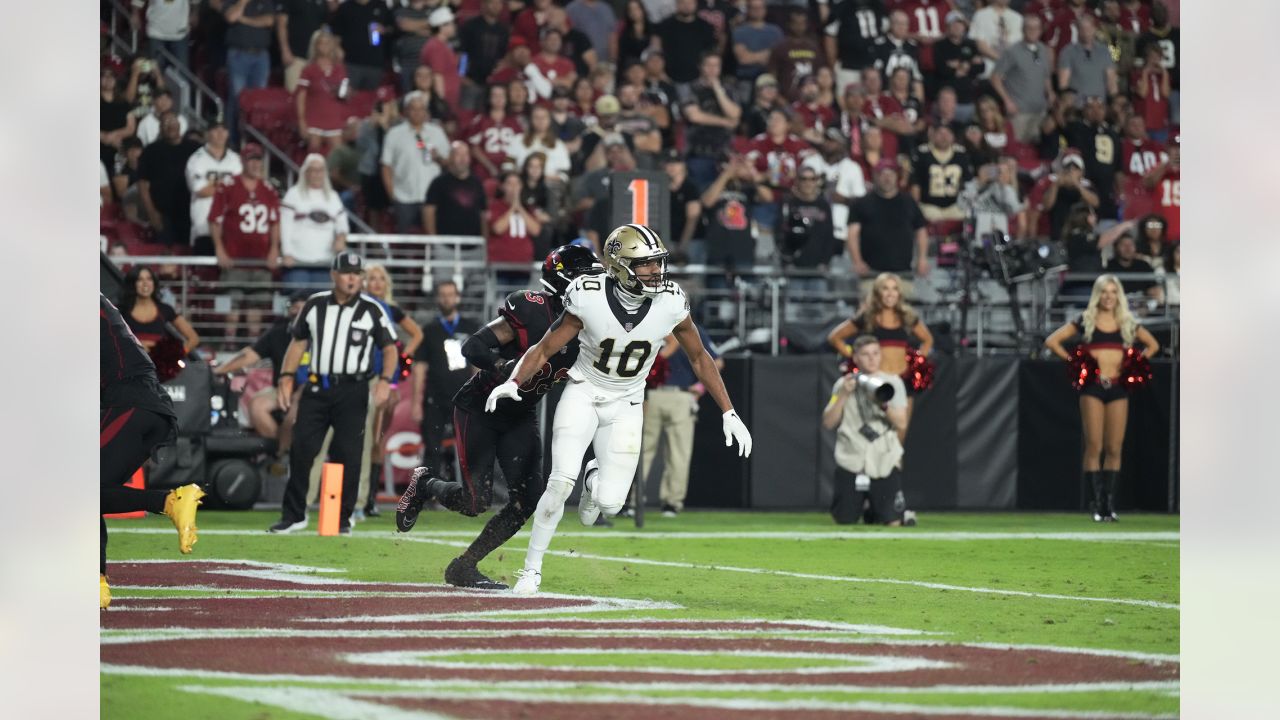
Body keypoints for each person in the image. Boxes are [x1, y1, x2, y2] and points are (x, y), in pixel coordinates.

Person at [487, 225, 752, 596]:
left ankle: (595, 477)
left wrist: (728, 411)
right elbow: (545, 348)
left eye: (657, 264)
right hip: (583, 391)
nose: (655, 272)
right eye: (644, 265)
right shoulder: (588, 295)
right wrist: (513, 382)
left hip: (628, 402)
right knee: (561, 482)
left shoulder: (671, 301)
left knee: (610, 505)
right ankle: (531, 570)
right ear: (619, 266)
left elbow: (698, 355)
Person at [397, 246, 604, 588]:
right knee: (474, 501)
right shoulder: (532, 308)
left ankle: (464, 566)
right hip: (481, 408)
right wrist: (504, 369)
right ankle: (425, 483)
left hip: (521, 415)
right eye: (589, 276)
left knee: (527, 501)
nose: (597, 285)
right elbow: (473, 347)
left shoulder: (591, 324)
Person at [269, 251, 398, 534]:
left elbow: (390, 348)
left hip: (353, 389)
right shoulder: (314, 305)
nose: (352, 278)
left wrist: (385, 380)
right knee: (302, 448)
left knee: (349, 454)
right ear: (334, 275)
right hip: (317, 387)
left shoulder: (372, 309)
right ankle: (294, 514)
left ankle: (342, 518)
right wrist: (286, 377)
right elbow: (298, 343)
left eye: (356, 273)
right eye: (346, 272)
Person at [100, 294, 205, 609]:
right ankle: (96, 583)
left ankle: (169, 501)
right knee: (92, 491)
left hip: (130, 402)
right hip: (143, 406)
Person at [1044, 274, 1159, 521]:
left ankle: (1109, 505)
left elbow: (1153, 345)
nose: (1109, 296)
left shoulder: (1127, 323)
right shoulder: (1086, 321)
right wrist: (1076, 363)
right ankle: (1096, 505)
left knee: (1114, 447)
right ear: (1097, 295)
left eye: (1113, 292)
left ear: (1119, 296)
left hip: (1118, 388)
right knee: (1094, 445)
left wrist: (1133, 365)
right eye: (1104, 292)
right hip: (1093, 387)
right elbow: (1052, 341)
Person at [359, 264, 424, 518]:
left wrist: (401, 357)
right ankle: (362, 498)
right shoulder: (360, 308)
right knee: (365, 438)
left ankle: (368, 500)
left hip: (385, 378)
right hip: (361, 377)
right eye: (371, 278)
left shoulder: (391, 309)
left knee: (377, 437)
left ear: (386, 284)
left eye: (380, 279)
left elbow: (417, 334)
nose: (376, 283)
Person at [827, 272, 934, 427]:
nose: (890, 293)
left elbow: (927, 339)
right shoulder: (867, 316)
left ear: (899, 293)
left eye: (894, 289)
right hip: (876, 382)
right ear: (878, 292)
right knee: (875, 429)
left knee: (900, 432)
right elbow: (835, 337)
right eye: (885, 289)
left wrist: (917, 362)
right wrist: (855, 356)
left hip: (903, 381)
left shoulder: (907, 317)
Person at [822, 335, 908, 526]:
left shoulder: (893, 383)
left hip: (883, 459)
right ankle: (869, 507)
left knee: (892, 522)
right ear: (856, 358)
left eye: (876, 353)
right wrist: (843, 394)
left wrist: (883, 404)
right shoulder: (843, 385)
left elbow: (901, 423)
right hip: (852, 459)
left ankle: (883, 511)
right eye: (866, 354)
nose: (872, 358)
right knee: (844, 520)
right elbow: (828, 422)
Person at [641, 322, 722, 518]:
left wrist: (699, 388)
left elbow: (716, 361)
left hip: (675, 395)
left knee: (665, 451)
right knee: (646, 450)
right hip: (655, 394)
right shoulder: (654, 322)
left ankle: (665, 502)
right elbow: (717, 361)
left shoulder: (686, 328)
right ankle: (642, 500)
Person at [213, 291, 310, 452]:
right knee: (257, 405)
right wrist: (219, 370)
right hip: (281, 388)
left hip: (313, 387)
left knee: (293, 415)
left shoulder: (321, 333)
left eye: (302, 308)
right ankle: (279, 452)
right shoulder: (278, 333)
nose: (298, 312)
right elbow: (249, 355)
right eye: (294, 307)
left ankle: (286, 455)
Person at [209, 143, 281, 345]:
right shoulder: (228, 186)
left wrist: (274, 248)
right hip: (235, 259)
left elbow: (275, 221)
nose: (256, 164)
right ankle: (229, 342)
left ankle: (253, 346)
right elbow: (214, 219)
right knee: (231, 303)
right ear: (243, 161)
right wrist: (220, 249)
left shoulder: (268, 189)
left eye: (258, 160)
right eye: (252, 159)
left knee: (256, 305)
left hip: (260, 261)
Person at [411, 280, 481, 483]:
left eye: (450, 294)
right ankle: (429, 492)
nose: (447, 298)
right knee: (432, 446)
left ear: (457, 297)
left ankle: (471, 491)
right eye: (443, 294)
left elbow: (477, 364)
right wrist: (416, 402)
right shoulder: (429, 331)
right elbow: (420, 367)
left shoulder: (470, 328)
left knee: (468, 445)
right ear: (437, 298)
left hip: (463, 396)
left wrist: (478, 394)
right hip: (435, 396)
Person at [380, 91, 450, 233]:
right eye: (413, 109)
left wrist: (438, 158)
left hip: (432, 198)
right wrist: (393, 196)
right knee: (405, 242)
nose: (417, 113)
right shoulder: (394, 134)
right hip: (404, 197)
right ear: (406, 111)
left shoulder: (437, 132)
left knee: (432, 239)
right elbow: (386, 166)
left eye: (421, 109)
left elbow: (448, 162)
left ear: (426, 111)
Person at [847, 161, 929, 278]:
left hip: (903, 273)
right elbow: (852, 235)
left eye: (891, 174)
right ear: (875, 176)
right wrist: (857, 261)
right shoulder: (861, 203)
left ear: (897, 177)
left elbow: (921, 232)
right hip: (871, 273)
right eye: (883, 174)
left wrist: (922, 259)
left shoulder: (909, 202)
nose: (887, 178)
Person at [280, 153, 349, 289]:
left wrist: (341, 238)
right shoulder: (293, 194)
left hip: (324, 261)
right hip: (297, 261)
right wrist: (286, 252)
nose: (317, 174)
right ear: (306, 172)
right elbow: (285, 225)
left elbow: (343, 225)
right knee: (298, 303)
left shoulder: (333, 197)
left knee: (322, 303)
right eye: (313, 170)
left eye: (320, 170)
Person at [119, 266, 201, 380]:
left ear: (154, 282)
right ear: (133, 284)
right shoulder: (121, 311)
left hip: (158, 374)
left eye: (149, 279)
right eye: (140, 280)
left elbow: (194, 338)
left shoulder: (165, 309)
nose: (145, 283)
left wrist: (174, 356)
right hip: (130, 371)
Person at [990, 13, 1055, 144]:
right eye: (1029, 28)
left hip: (1040, 112)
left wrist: (1050, 92)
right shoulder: (1012, 51)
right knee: (1018, 149)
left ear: (1040, 30)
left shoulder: (1043, 50)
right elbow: (995, 78)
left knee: (1037, 151)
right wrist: (1007, 101)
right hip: (1019, 113)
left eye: (1036, 28)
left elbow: (1046, 75)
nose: (1032, 31)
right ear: (1023, 30)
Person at [139, 112, 200, 248]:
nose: (170, 126)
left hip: (190, 213)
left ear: (179, 125)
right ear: (160, 128)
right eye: (165, 123)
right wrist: (151, 212)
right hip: (162, 215)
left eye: (172, 121)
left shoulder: (195, 148)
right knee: (164, 254)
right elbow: (143, 184)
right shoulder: (150, 151)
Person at [186, 118, 242, 255]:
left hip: (232, 229)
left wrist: (215, 185)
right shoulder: (196, 159)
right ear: (207, 134)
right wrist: (228, 188)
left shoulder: (236, 160)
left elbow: (241, 191)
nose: (220, 133)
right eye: (216, 129)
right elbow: (201, 190)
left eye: (223, 130)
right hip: (204, 228)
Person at [223, 0, 276, 145]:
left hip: (261, 56)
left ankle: (253, 143)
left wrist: (244, 20)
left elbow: (269, 21)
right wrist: (243, 2)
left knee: (258, 102)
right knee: (238, 100)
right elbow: (231, 17)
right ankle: (233, 142)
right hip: (239, 54)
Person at [295, 28, 350, 154]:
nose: (324, 46)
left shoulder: (339, 68)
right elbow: (301, 96)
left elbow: (345, 93)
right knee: (313, 155)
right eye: (321, 43)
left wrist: (345, 93)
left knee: (338, 159)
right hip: (314, 119)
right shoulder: (308, 69)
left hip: (333, 118)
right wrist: (302, 121)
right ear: (315, 46)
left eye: (327, 43)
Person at [909, 122, 973, 222]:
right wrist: (914, 208)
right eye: (940, 134)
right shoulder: (922, 154)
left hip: (955, 205)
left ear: (953, 137)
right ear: (933, 135)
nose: (944, 137)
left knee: (966, 217)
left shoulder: (961, 154)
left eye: (947, 134)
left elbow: (969, 182)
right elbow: (916, 183)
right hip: (929, 205)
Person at [423, 142, 488, 237]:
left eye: (465, 154)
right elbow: (429, 211)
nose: (462, 159)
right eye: (458, 154)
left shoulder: (477, 183)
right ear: (450, 158)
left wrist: (484, 240)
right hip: (446, 243)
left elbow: (483, 214)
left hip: (474, 244)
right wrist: (433, 239)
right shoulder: (438, 183)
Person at [824, 0, 887, 91]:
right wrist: (832, 63)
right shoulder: (842, 7)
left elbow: (885, 30)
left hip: (874, 67)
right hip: (849, 66)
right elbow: (830, 35)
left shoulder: (877, 5)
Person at [329, 0, 391, 91]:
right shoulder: (345, 7)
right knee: (347, 97)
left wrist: (384, 30)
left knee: (370, 99)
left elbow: (393, 28)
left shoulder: (381, 5)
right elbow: (335, 33)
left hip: (375, 64)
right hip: (350, 62)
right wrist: (337, 50)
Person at [1056, 14, 1118, 103]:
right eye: (1083, 29)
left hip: (1099, 107)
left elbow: (1111, 80)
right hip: (1078, 107)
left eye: (1089, 28)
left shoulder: (1104, 51)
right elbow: (1063, 84)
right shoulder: (1068, 52)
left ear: (1094, 29)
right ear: (1078, 30)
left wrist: (1113, 100)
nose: (1086, 32)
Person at [274, 0, 330, 92]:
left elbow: (324, 27)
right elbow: (281, 24)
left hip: (315, 59)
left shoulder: (322, 2)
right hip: (295, 56)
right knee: (294, 94)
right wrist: (285, 50)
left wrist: (323, 55)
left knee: (313, 97)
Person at [131, 0, 196, 71]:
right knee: (156, 72)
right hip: (156, 32)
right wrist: (135, 14)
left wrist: (194, 13)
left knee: (182, 77)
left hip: (180, 33)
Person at [100, 68, 138, 177]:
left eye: (111, 76)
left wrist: (112, 136)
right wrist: (103, 137)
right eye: (104, 76)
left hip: (120, 148)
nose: (108, 79)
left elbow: (131, 127)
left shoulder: (123, 102)